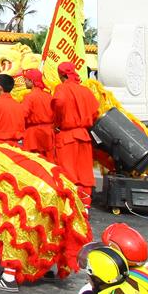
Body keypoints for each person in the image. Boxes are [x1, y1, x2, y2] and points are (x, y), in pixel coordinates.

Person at [53, 61, 100, 208]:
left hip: (67, 136)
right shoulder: (86, 91)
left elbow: (58, 103)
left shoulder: (61, 88)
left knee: (68, 173)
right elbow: (95, 112)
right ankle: (85, 205)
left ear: (62, 75)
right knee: (84, 173)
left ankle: (70, 206)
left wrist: (58, 121)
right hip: (84, 136)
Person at [20, 68, 55, 163]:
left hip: (33, 134)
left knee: (33, 164)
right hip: (48, 133)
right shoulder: (49, 96)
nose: (25, 82)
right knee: (49, 164)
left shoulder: (29, 97)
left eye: (26, 80)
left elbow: (22, 115)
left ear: (31, 81)